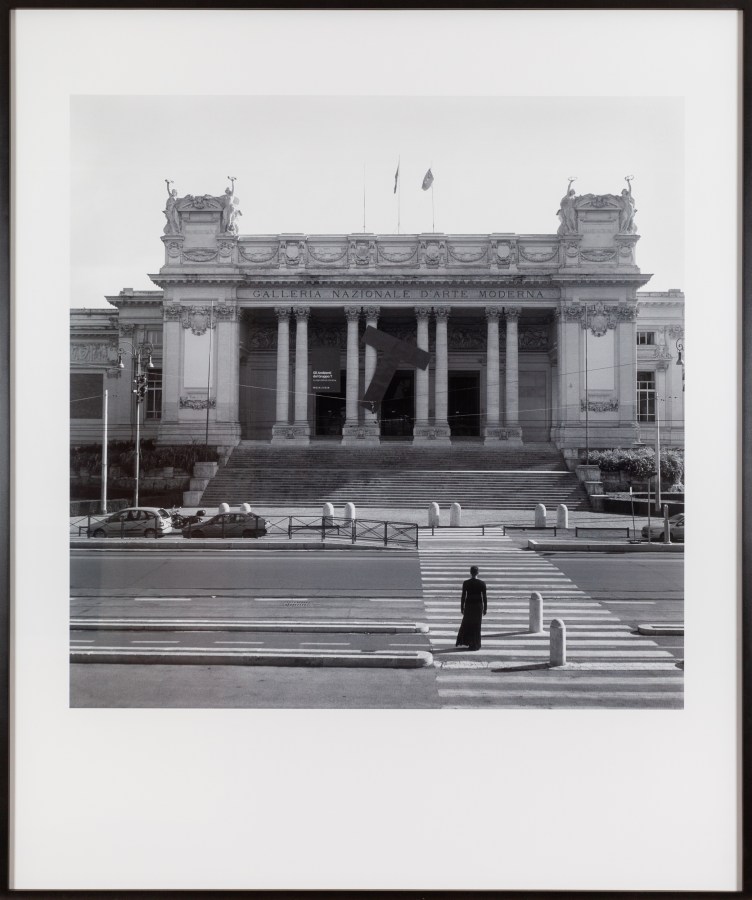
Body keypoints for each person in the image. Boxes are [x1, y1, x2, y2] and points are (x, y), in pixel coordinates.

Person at [455, 565, 488, 651]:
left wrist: (462, 607)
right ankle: (475, 644)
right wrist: (485, 609)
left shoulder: (466, 583)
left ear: (470, 572)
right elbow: (484, 597)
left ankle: (469, 642)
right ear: (478, 572)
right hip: (478, 607)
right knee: (477, 625)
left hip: (469, 606)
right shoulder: (482, 583)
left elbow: (463, 596)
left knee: (468, 624)